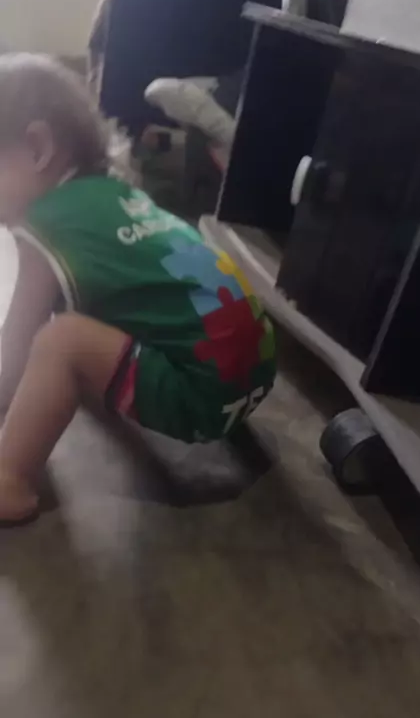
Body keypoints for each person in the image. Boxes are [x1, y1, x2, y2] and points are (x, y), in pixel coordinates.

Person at [0, 54, 276, 524]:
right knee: (88, 311)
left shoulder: (45, 223)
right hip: (253, 370)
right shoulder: (115, 195)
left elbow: (18, 339)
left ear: (37, 148)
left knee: (59, 340)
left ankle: (10, 479)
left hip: (201, 398)